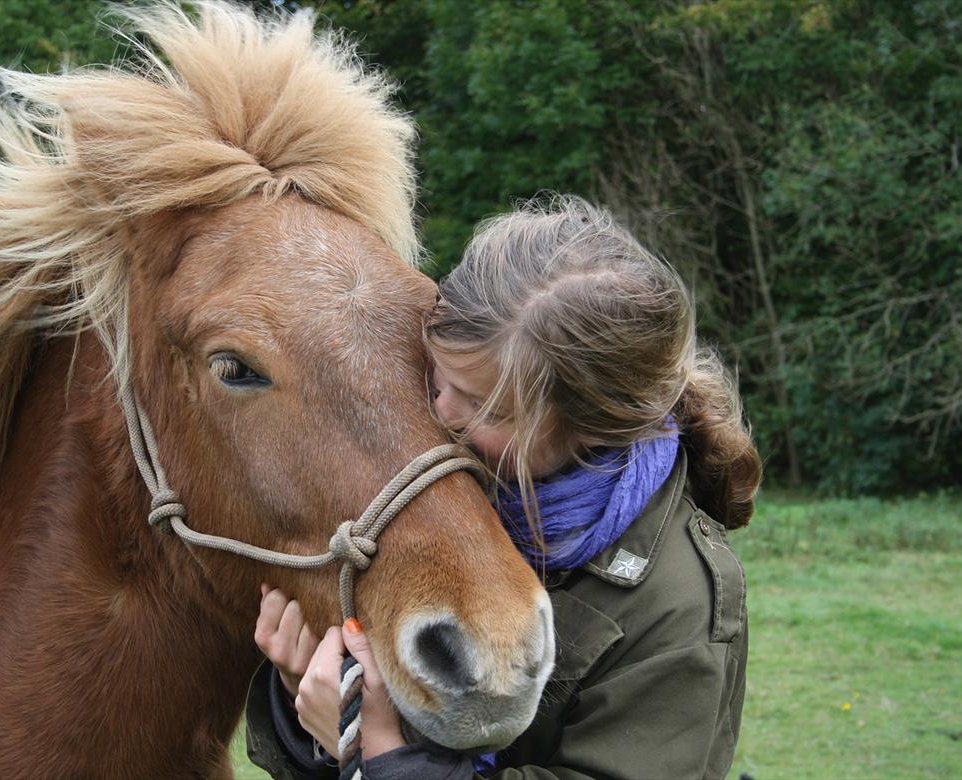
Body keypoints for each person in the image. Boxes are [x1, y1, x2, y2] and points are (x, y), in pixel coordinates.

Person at [245, 194, 761, 779]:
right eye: (434, 378)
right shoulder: (436, 495)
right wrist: (320, 699)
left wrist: (383, 757)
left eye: (485, 406)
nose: (442, 413)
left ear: (593, 427)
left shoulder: (678, 601)